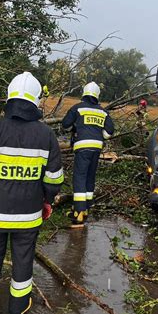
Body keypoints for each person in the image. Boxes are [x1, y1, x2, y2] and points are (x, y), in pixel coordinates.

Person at [0, 72, 63, 314]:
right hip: (29, 216)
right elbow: (54, 178)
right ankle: (18, 308)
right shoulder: (46, 135)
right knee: (24, 260)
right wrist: (48, 202)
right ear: (37, 101)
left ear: (9, 97)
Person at [62, 82, 114, 228]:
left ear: (84, 93)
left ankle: (78, 213)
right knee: (90, 177)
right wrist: (99, 135)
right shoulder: (103, 112)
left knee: (79, 177)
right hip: (96, 148)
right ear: (97, 96)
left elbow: (65, 125)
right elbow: (109, 132)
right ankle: (85, 209)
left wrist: (75, 126)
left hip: (82, 147)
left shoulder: (77, 108)